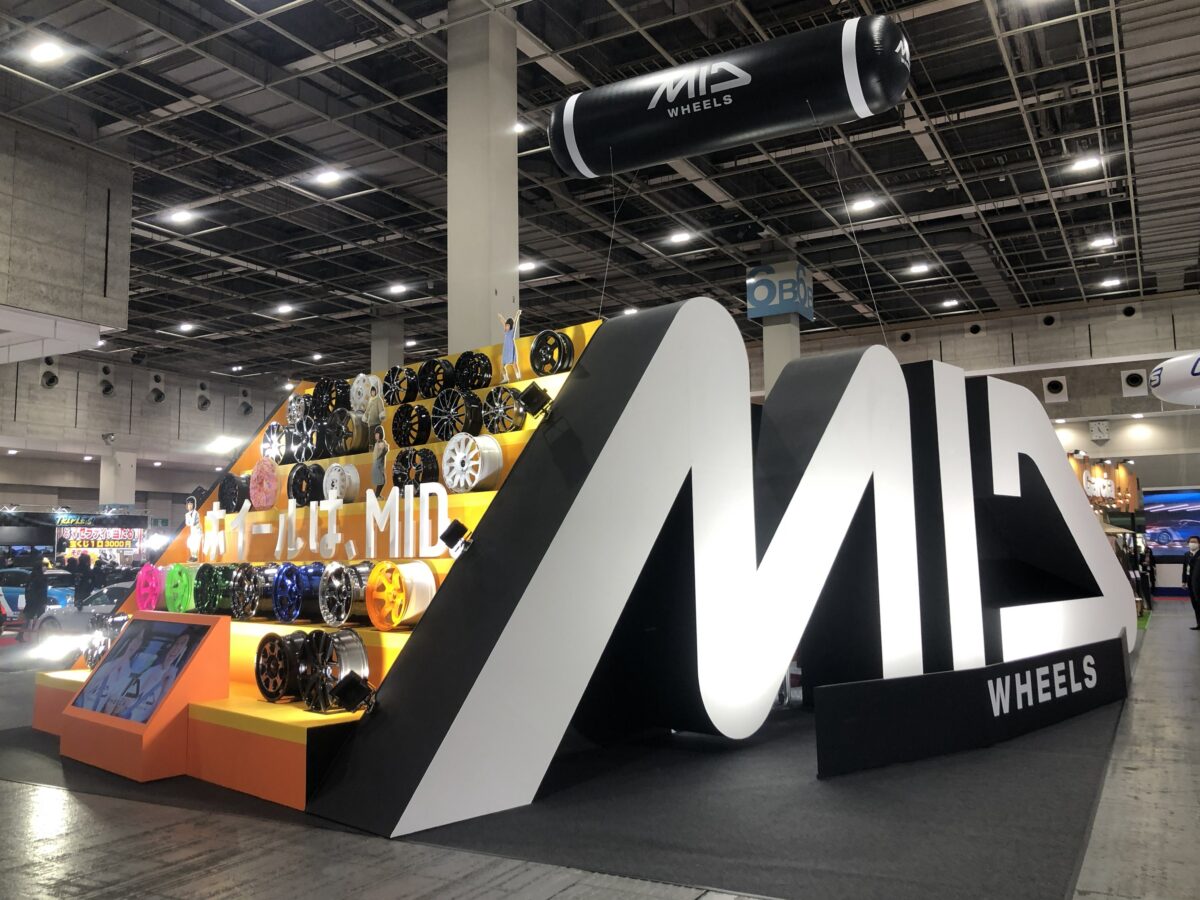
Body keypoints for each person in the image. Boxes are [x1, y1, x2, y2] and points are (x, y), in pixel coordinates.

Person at [19, 559, 48, 643]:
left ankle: (20, 636)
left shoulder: (31, 577)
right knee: (40, 619)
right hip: (39, 601)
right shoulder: (42, 578)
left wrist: (28, 600)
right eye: (43, 566)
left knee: (28, 619)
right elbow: (43, 592)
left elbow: (27, 590)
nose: (45, 568)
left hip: (31, 601)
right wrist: (44, 602)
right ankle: (39, 636)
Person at [497, 310, 522, 383]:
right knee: (502, 366)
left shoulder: (511, 331)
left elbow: (515, 322)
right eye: (506, 325)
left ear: (510, 326)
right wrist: (501, 317)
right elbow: (503, 322)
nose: (505, 326)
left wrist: (517, 314)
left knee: (514, 364)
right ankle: (505, 378)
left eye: (507, 325)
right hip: (506, 350)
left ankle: (518, 378)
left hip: (511, 349)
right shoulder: (506, 331)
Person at [1183, 536, 1200, 630]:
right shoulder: (1187, 554)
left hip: (1198, 582)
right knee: (1195, 604)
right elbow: (1185, 569)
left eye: (1195, 542)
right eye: (1191, 541)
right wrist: (1184, 581)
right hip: (1190, 582)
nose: (1192, 543)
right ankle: (1198, 623)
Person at [371, 425, 389, 497]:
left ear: (381, 434)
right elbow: (384, 450)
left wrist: (385, 446)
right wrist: (385, 446)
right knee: (381, 481)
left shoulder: (380, 443)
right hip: (378, 465)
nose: (376, 436)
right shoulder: (378, 444)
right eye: (375, 434)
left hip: (379, 465)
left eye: (377, 434)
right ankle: (377, 495)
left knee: (381, 481)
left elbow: (385, 449)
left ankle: (377, 495)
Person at [184, 496, 201, 562]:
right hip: (192, 531)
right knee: (191, 544)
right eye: (188, 504)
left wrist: (191, 522)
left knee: (195, 545)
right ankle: (192, 556)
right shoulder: (187, 514)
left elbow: (193, 523)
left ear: (193, 505)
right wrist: (190, 522)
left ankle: (195, 556)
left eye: (191, 504)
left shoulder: (196, 513)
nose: (190, 506)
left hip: (197, 532)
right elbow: (187, 523)